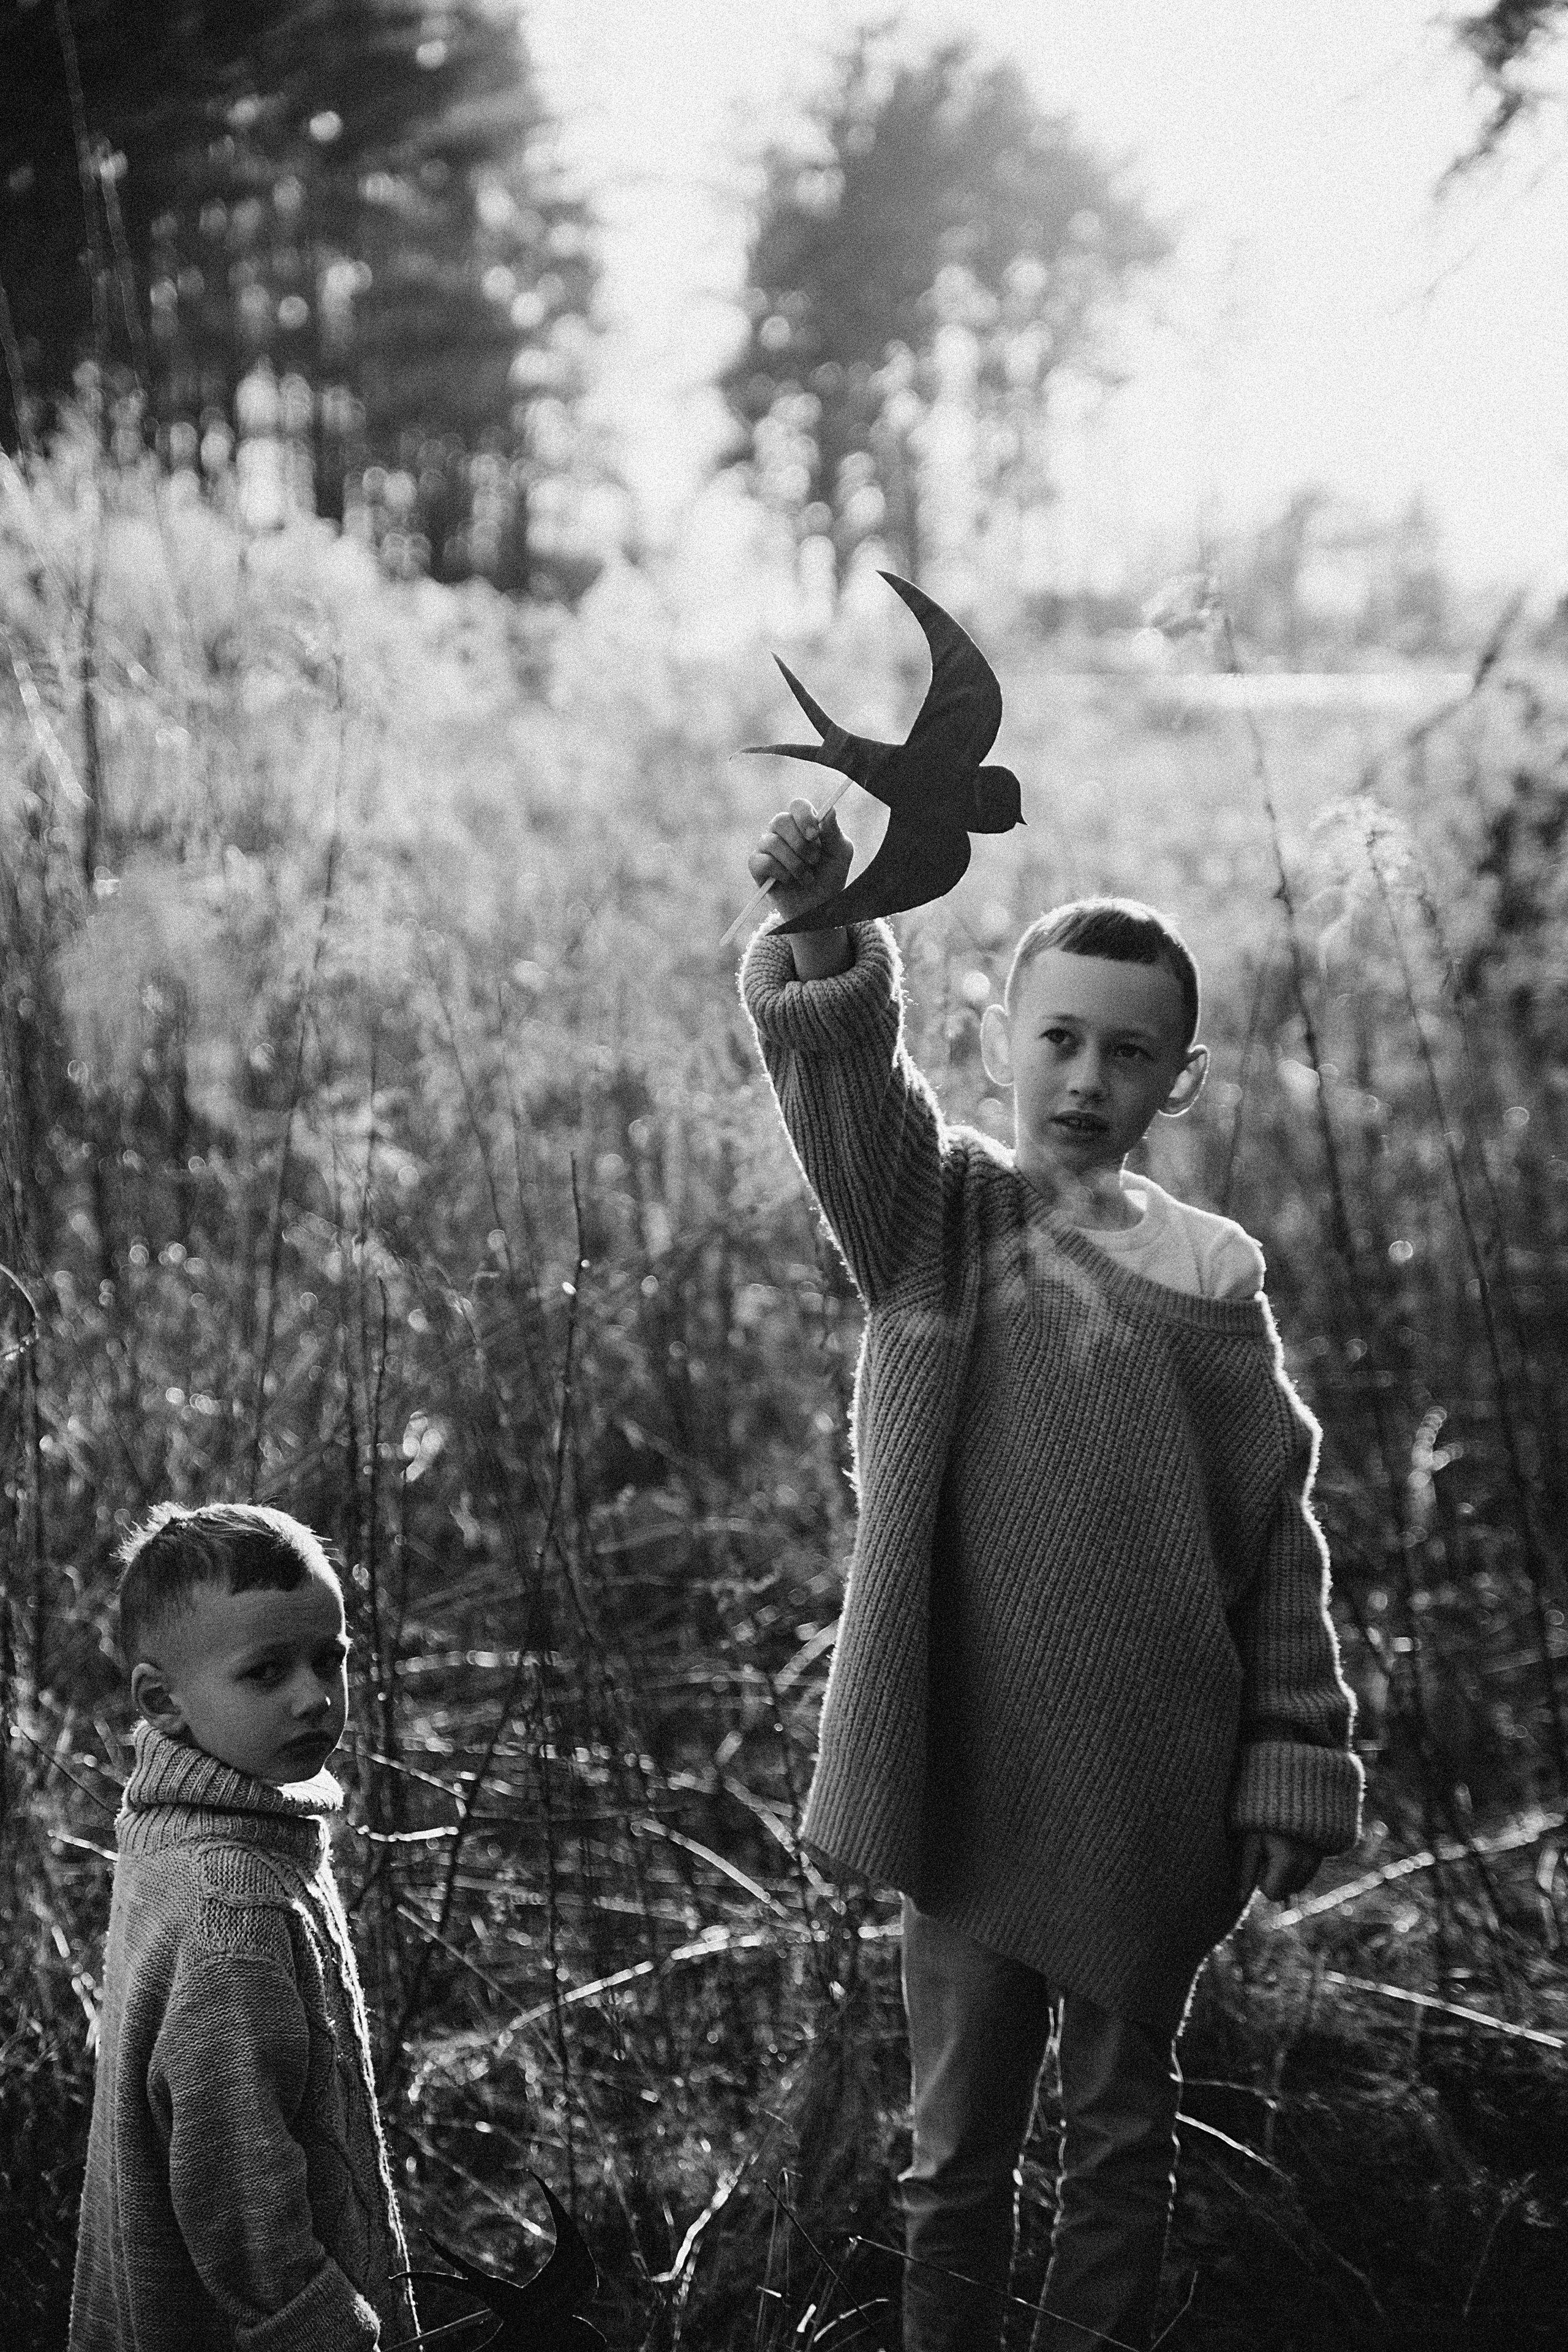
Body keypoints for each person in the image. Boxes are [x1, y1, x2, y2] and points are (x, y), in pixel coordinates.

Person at [739, 801, 1363, 2352]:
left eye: (1129, 1053)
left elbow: (1271, 1536)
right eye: (1059, 1040)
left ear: (1180, 1080)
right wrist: (824, 928)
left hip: (1152, 1786)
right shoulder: (936, 1216)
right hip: (966, 1776)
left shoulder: (1210, 1273)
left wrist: (1292, 1755)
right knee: (952, 2163)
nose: (1087, 1080)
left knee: (1117, 2148)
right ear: (1003, 1039)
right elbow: (847, 1095)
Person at [69, 1502, 419, 2352]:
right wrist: (330, 2332)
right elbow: (239, 2189)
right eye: (265, 1673)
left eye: (326, 1658)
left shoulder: (182, 1824)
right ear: (163, 1701)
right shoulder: (233, 1903)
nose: (314, 1698)